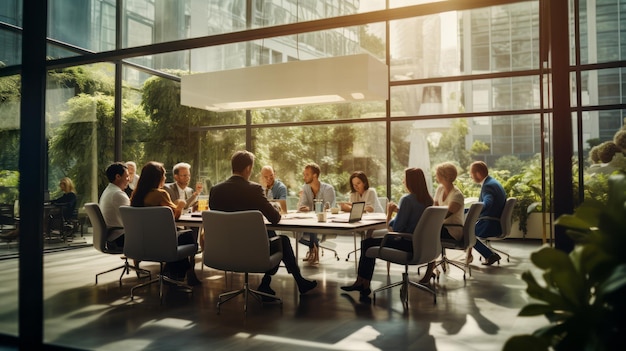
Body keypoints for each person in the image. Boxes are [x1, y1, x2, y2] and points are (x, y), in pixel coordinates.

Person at [209, 150, 317, 298]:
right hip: (252, 252)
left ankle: (266, 284)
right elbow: (275, 218)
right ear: (248, 168)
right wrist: (273, 207)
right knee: (282, 241)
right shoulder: (254, 189)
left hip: (223, 251)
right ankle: (297, 281)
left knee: (270, 234)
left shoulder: (215, 190)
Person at [341, 168, 433, 300]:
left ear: (411, 182)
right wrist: (400, 211)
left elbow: (394, 228)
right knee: (368, 243)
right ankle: (363, 283)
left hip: (405, 243)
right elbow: (414, 219)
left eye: (405, 179)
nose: (402, 181)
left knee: (367, 243)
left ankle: (362, 282)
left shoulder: (407, 199)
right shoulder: (428, 200)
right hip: (420, 245)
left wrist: (390, 213)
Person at [130, 161, 199, 285]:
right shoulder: (160, 194)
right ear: (157, 178)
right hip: (160, 242)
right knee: (188, 235)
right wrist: (181, 204)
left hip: (142, 241)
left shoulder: (136, 195)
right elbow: (175, 216)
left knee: (181, 235)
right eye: (164, 175)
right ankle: (177, 274)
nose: (165, 178)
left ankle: (171, 272)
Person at [420, 162, 465, 283]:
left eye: (437, 173)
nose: (435, 175)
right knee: (426, 233)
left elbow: (443, 215)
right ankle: (432, 268)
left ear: (444, 176)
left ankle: (430, 270)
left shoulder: (457, 195)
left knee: (428, 235)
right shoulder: (440, 189)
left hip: (453, 230)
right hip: (441, 227)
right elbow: (435, 209)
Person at [297, 163, 336, 265]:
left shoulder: (328, 189)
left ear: (315, 175)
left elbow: (327, 209)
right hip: (310, 221)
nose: (304, 177)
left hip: (325, 223)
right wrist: (304, 208)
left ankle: (314, 251)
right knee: (295, 232)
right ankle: (313, 249)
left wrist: (310, 209)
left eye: (307, 174)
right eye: (304, 174)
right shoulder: (305, 188)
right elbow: (303, 205)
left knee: (312, 227)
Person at [469, 161, 507, 266]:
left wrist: (471, 212)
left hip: (489, 224)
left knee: (466, 233)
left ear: (478, 173)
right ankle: (472, 256)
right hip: (495, 222)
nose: (470, 176)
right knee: (468, 230)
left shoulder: (488, 186)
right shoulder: (493, 182)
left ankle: (489, 255)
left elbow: (487, 204)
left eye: (471, 173)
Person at [99, 162, 130, 250]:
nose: (129, 179)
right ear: (118, 177)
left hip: (112, 237)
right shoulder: (117, 194)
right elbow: (133, 219)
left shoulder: (109, 191)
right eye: (127, 176)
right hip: (120, 239)